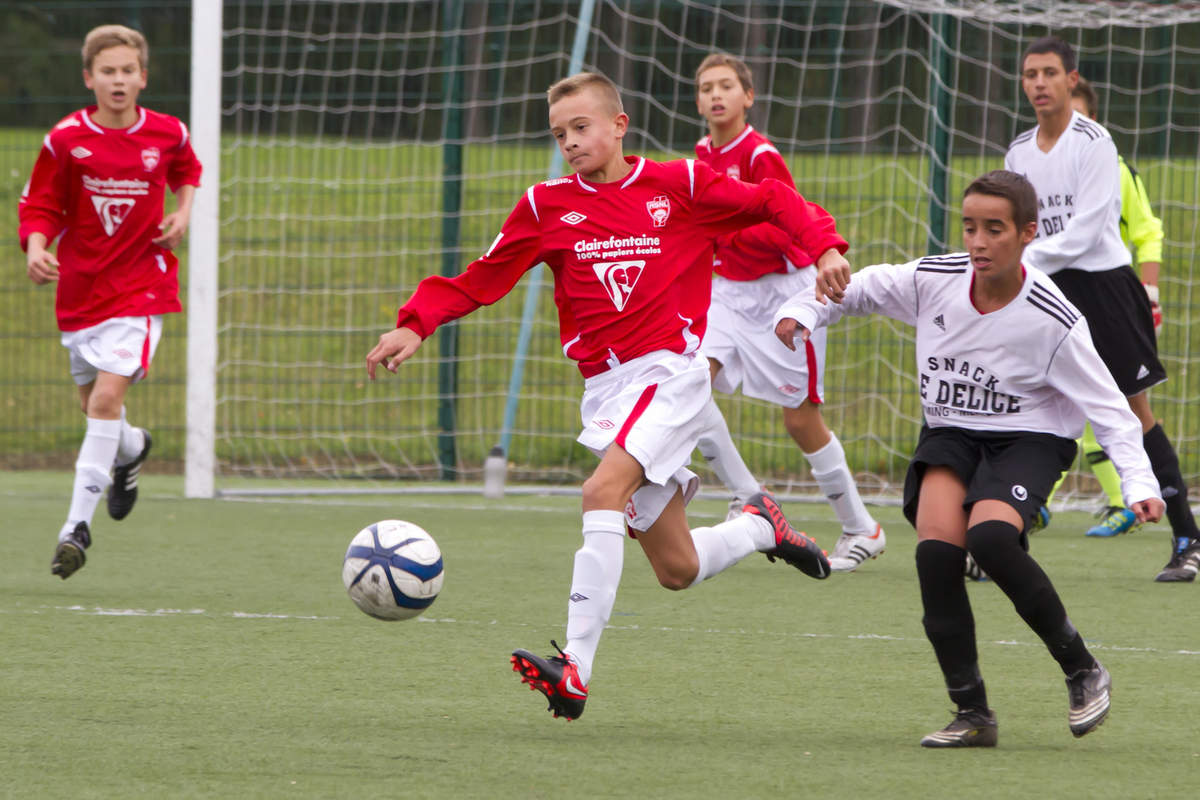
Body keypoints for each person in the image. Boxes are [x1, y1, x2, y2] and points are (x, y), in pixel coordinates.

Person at [366, 71, 846, 721]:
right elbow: (482, 278)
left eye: (582, 127)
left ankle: (574, 670)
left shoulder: (680, 185)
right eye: (559, 133)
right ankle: (760, 526)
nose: (569, 141)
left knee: (599, 492)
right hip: (605, 392)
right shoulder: (544, 207)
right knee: (676, 568)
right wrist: (414, 322)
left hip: (669, 375)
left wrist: (824, 249)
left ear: (620, 126)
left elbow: (772, 202)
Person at [774, 169, 1165, 746]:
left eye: (995, 229)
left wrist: (1137, 482)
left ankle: (1082, 669)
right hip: (953, 433)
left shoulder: (1054, 319)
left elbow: (1110, 408)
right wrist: (803, 313)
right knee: (935, 554)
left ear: (1029, 233)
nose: (979, 242)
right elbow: (857, 288)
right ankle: (973, 715)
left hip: (1029, 437)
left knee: (989, 540)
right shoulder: (936, 279)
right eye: (970, 227)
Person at [1004, 36, 1198, 582]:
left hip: (1103, 289)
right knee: (1032, 407)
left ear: (1071, 79)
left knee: (1133, 414)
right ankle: (1005, 532)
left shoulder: (1096, 143)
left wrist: (1020, 259)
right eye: (1029, 75)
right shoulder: (1018, 152)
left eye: (1048, 73)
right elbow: (1014, 220)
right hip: (1043, 289)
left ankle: (1187, 537)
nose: (1039, 83)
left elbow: (1088, 233)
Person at [18, 24, 202, 579]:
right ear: (89, 78)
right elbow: (42, 203)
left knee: (103, 401)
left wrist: (183, 213)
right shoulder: (66, 139)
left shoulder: (167, 133)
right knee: (96, 409)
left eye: (128, 71)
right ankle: (132, 447)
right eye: (107, 71)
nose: (118, 80)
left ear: (143, 77)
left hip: (142, 288)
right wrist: (35, 247)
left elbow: (188, 169)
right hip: (80, 290)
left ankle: (75, 527)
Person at [690, 53, 884, 572]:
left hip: (783, 292)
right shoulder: (701, 154)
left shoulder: (759, 155)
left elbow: (783, 222)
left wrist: (720, 235)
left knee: (800, 419)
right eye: (707, 87)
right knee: (690, 382)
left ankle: (862, 526)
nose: (716, 95)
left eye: (726, 85)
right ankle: (747, 494)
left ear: (747, 97)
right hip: (729, 293)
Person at [1045, 76, 1166, 538]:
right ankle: (1039, 501)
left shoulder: (1114, 169)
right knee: (1056, 400)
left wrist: (1150, 294)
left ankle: (1141, 507)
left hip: (1111, 301)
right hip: (1059, 297)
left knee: (1121, 406)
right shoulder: (1038, 170)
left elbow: (1148, 230)